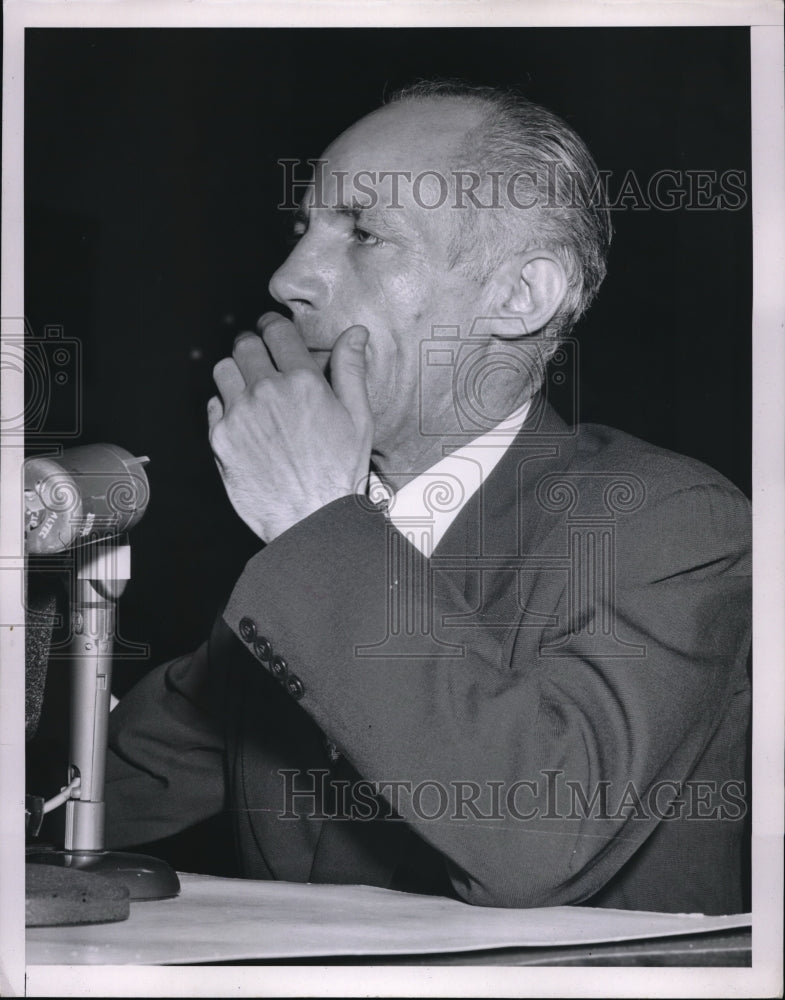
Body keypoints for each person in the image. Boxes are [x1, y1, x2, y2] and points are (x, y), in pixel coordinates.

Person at [105, 81, 751, 914]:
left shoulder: (676, 524)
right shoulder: (327, 536)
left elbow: (534, 836)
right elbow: (105, 785)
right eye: (303, 229)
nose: (286, 277)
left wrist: (311, 524)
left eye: (363, 232)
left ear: (519, 296)